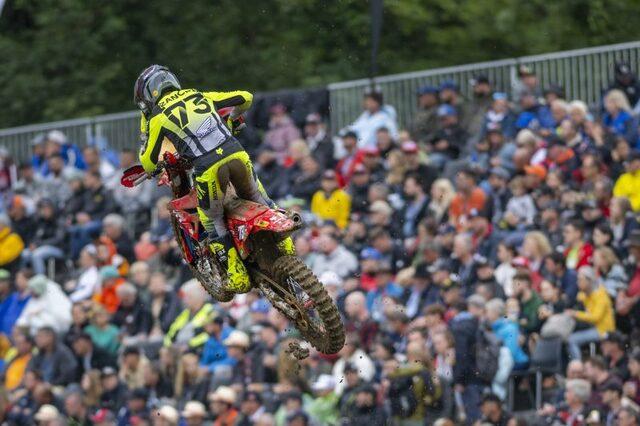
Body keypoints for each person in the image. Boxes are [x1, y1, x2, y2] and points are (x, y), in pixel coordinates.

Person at [134, 65, 292, 294]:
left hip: (208, 168)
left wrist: (149, 155)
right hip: (237, 154)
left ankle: (237, 274)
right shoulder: (199, 96)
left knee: (211, 218)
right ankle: (285, 243)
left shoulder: (158, 117)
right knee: (257, 196)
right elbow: (246, 98)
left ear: (149, 95)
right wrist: (232, 120)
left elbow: (149, 162)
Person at [566, 266, 616, 360]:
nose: (577, 283)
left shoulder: (601, 295)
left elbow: (595, 317)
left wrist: (575, 314)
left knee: (572, 339)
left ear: (589, 280)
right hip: (589, 327)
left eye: (580, 280)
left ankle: (577, 364)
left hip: (602, 329)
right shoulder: (583, 294)